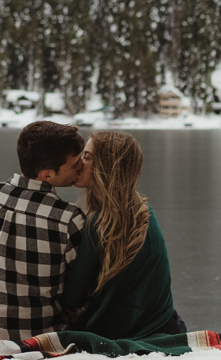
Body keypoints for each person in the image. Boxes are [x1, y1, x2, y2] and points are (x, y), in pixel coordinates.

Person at [0, 120, 86, 341]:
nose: (81, 167)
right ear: (47, 175)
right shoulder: (68, 219)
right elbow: (79, 297)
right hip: (39, 347)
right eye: (75, 163)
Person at [62, 131, 186, 338]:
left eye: (87, 157)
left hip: (128, 333)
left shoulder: (99, 223)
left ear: (107, 167)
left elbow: (71, 299)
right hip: (168, 326)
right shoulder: (144, 212)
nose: (79, 163)